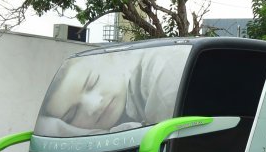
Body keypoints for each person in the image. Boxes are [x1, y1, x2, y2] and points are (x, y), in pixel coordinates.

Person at [34, 46, 185, 137]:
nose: (93, 106)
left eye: (92, 82)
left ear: (113, 58)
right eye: (73, 114)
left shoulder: (160, 73)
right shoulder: (127, 112)